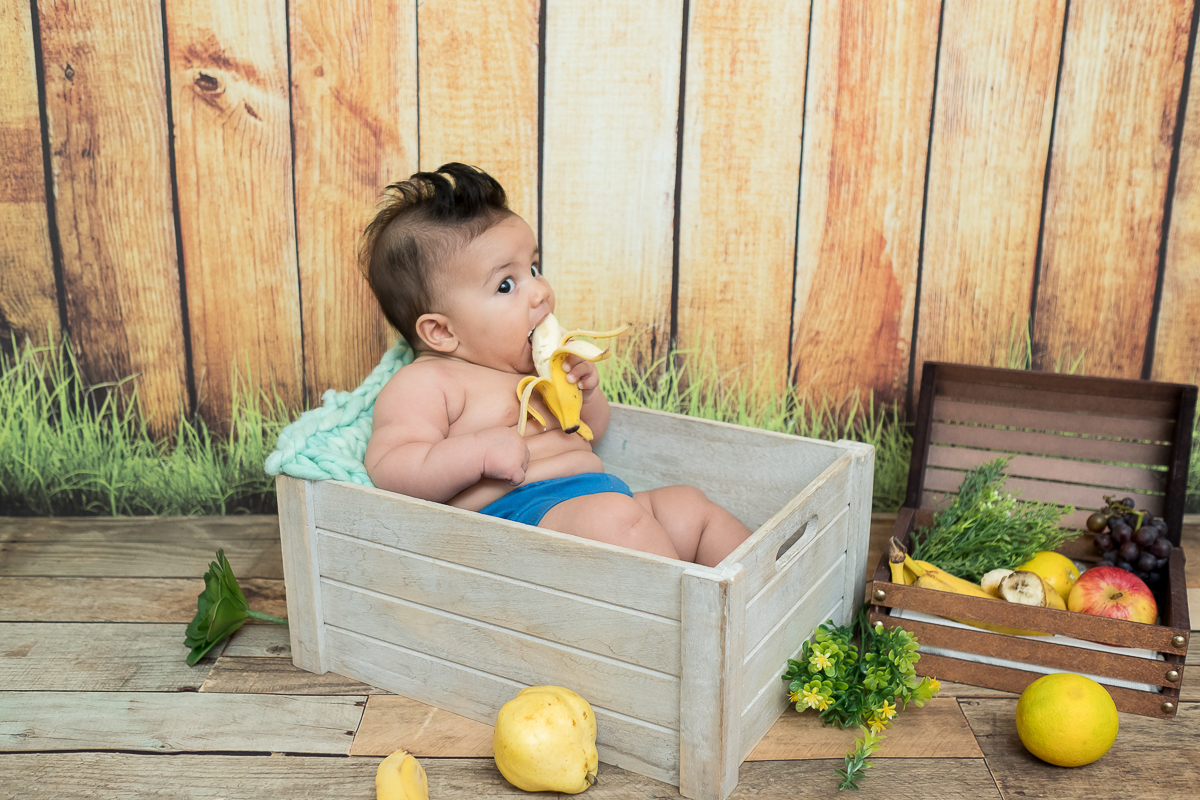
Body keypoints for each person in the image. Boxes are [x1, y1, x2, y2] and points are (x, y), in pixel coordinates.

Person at [360, 163, 751, 567]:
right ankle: (687, 625)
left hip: (600, 496)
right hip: (519, 520)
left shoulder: (534, 366)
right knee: (619, 521)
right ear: (441, 332)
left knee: (691, 508)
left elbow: (590, 434)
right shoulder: (428, 381)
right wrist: (476, 454)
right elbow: (392, 466)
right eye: (506, 285)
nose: (540, 291)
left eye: (533, 268)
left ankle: (760, 606)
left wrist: (586, 393)